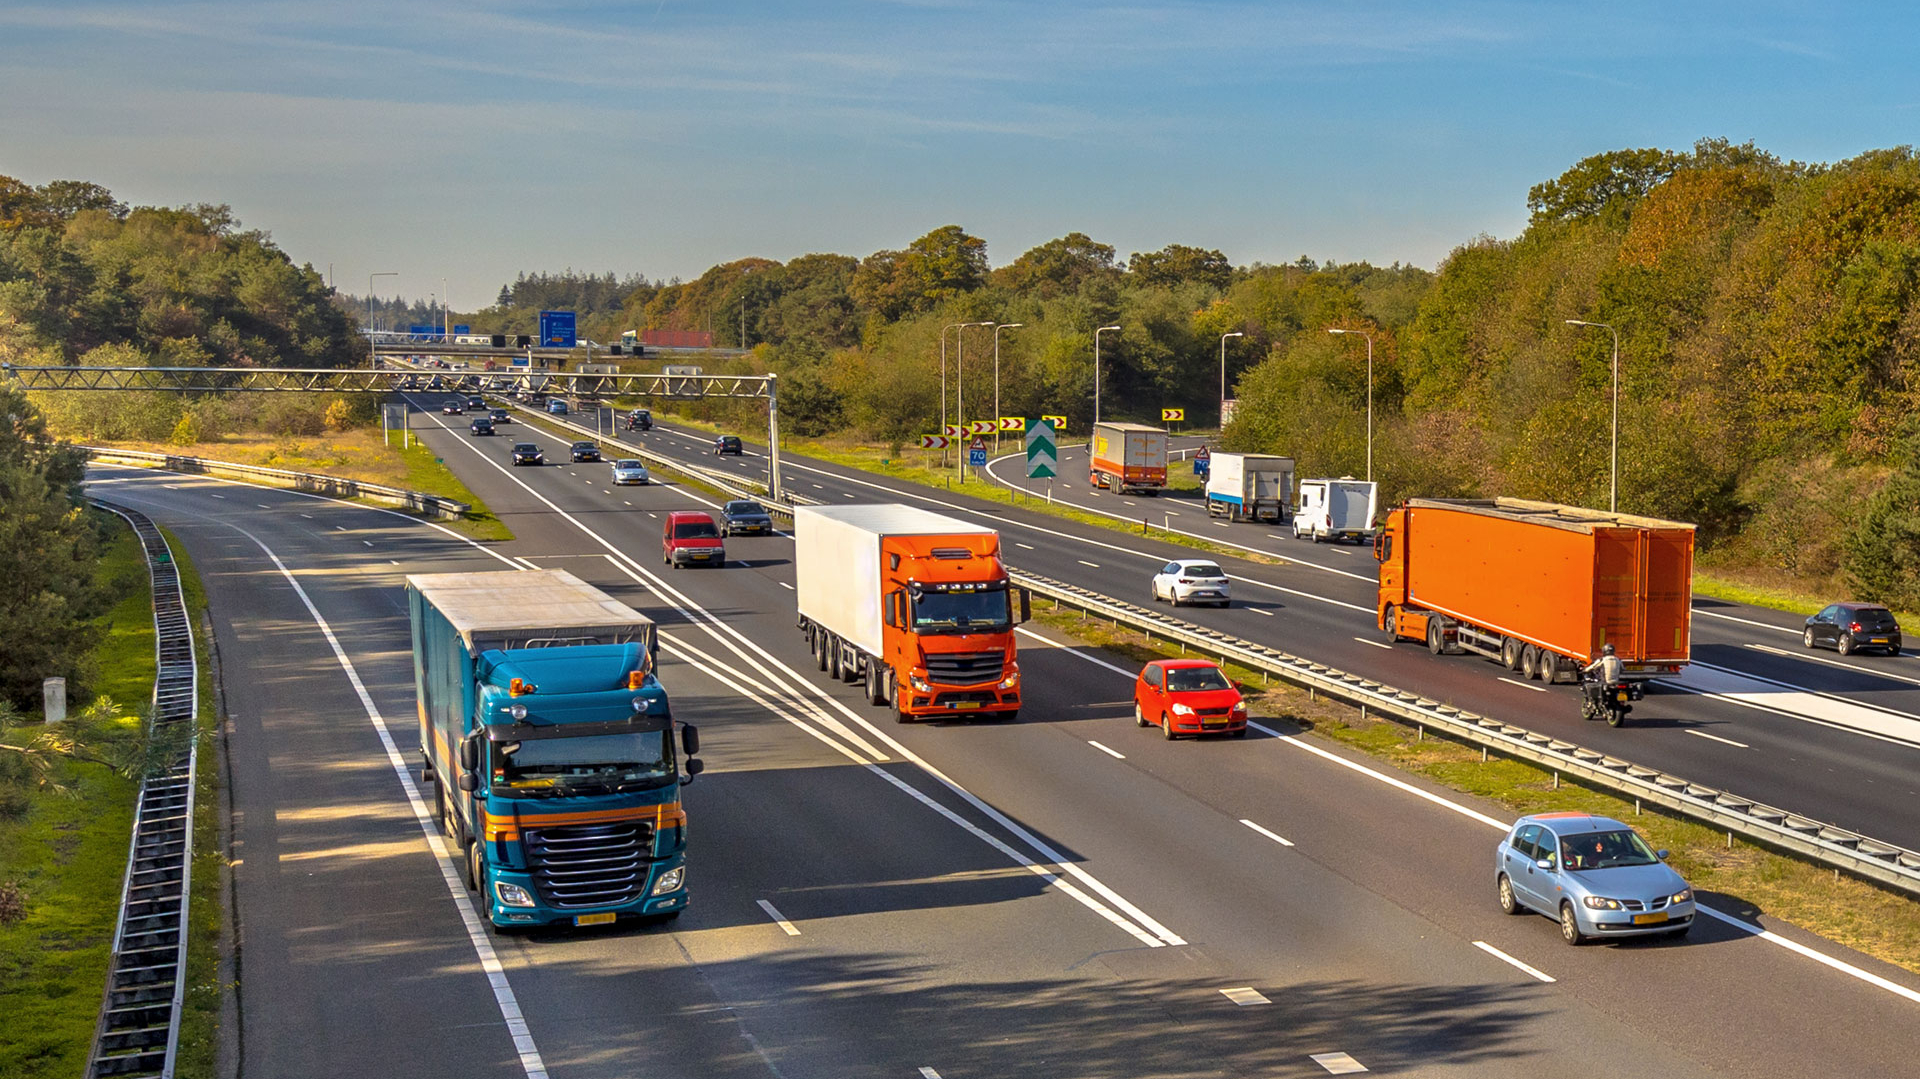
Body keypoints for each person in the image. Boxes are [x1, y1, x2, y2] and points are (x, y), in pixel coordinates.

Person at [1583, 643, 1622, 714]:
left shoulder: (1603, 660)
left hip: (1605, 682)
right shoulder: (1618, 660)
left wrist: (1585, 670)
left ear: (1604, 651)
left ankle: (1596, 704)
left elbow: (1592, 667)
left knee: (1591, 688)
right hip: (1616, 682)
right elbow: (1622, 669)